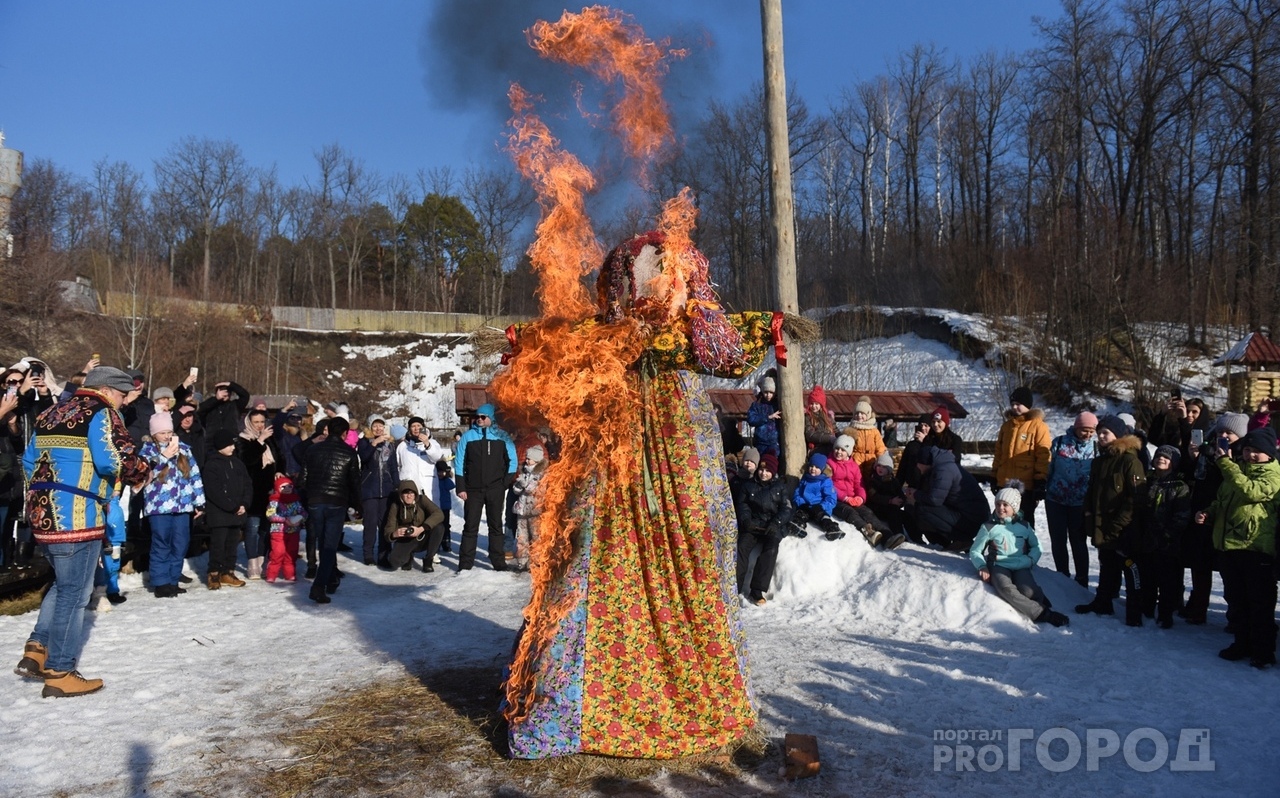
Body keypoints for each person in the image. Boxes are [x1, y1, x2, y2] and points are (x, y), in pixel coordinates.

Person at [497, 231, 781, 758]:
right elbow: (559, 353)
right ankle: (573, 702)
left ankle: (692, 687)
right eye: (649, 270)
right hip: (614, 449)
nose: (659, 281)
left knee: (694, 549)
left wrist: (766, 329)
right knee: (591, 551)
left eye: (667, 271)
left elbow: (733, 351)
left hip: (679, 455)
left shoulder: (693, 333)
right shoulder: (604, 337)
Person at [14, 366, 150, 697]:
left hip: (42, 513)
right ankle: (60, 671)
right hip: (78, 514)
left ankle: (37, 648)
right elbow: (111, 460)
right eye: (121, 396)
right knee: (76, 593)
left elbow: (29, 461)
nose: (121, 403)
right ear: (107, 390)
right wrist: (140, 471)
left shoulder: (51, 411)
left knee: (64, 584)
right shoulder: (101, 412)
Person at [1199, 425, 1280, 668]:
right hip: (1230, 546)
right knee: (1237, 601)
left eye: (1256, 451)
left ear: (1269, 453)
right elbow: (1223, 499)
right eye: (1247, 450)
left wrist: (1226, 464)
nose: (1250, 455)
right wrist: (1208, 513)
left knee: (1260, 603)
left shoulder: (1273, 475)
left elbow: (1250, 491)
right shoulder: (1238, 470)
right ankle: (1241, 643)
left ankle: (1263, 651)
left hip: (1256, 548)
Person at [1075, 415, 1147, 624]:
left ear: (1118, 435)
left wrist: (1119, 525)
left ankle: (1134, 612)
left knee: (1130, 568)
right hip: (1103, 525)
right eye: (1099, 433)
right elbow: (1092, 491)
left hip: (1125, 528)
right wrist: (1087, 515)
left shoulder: (1130, 460)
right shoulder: (1100, 461)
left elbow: (1135, 499)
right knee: (1107, 565)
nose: (1101, 436)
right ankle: (1103, 602)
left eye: (1105, 432)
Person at [969, 483, 1069, 627]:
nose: (1000, 508)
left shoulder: (1024, 526)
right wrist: (982, 566)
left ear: (1014, 508)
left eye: (1005, 505)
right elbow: (975, 550)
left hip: (1021, 564)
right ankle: (1042, 613)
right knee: (1006, 589)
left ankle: (1037, 595)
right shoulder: (989, 527)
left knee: (1026, 591)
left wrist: (1031, 560)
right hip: (999, 565)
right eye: (998, 504)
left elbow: (1036, 546)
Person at [1182, 412, 1249, 624]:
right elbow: (1195, 477)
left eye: (1230, 432)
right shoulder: (1208, 451)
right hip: (1203, 512)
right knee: (1199, 565)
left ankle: (1235, 617)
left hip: (1228, 517)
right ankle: (1198, 608)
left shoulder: (1244, 455)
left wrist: (1224, 461)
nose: (1225, 435)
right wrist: (1195, 457)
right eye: (1221, 431)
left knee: (1230, 572)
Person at [138, 412, 204, 598]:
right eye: (162, 433)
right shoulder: (148, 451)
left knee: (180, 543)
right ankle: (160, 582)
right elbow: (144, 476)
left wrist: (199, 502)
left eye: (169, 431)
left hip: (183, 505)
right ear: (154, 434)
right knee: (161, 542)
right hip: (158, 507)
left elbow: (194, 476)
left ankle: (173, 580)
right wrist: (164, 456)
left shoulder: (184, 449)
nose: (167, 436)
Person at [301, 416, 361, 603]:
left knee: (323, 542)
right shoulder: (349, 453)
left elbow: (303, 479)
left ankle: (332, 576)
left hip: (315, 501)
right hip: (336, 502)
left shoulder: (312, 450)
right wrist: (358, 506)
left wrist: (307, 501)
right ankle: (318, 586)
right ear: (345, 433)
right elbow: (354, 483)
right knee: (329, 546)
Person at [1133, 445, 1191, 628]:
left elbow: (1182, 516)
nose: (1161, 459)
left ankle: (1166, 614)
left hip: (1168, 543)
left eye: (1166, 457)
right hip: (1146, 540)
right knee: (1147, 578)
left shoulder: (1179, 486)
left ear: (1173, 462)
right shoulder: (1146, 480)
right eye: (1158, 456)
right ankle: (1147, 608)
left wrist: (1167, 535)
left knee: (1167, 582)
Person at [454, 402, 516, 572]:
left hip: (495, 489)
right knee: (470, 526)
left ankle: (498, 562)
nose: (479, 419)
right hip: (473, 490)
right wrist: (461, 486)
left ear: (491, 418)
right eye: (477, 417)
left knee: (495, 526)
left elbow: (513, 461)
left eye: (483, 417)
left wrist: (503, 484)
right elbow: (459, 462)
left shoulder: (502, 437)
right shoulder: (468, 437)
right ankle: (465, 564)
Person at [1044, 411, 1098, 586]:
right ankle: (1062, 576)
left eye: (1092, 431)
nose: (1088, 434)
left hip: (1080, 503)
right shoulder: (1059, 443)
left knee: (1078, 541)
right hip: (1056, 500)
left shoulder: (1097, 448)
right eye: (1084, 430)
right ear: (1076, 427)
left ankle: (1082, 578)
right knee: (1058, 539)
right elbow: (1049, 468)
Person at [905, 445, 989, 552]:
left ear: (924, 462)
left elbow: (935, 500)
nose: (917, 466)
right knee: (922, 507)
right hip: (971, 516)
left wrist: (915, 494)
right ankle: (949, 541)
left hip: (972, 520)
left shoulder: (944, 470)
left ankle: (962, 540)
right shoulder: (944, 466)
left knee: (922, 509)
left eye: (918, 463)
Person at [734, 452, 792, 605]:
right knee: (741, 547)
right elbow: (743, 505)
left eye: (767, 471)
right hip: (753, 524)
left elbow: (785, 509)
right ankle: (735, 587)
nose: (763, 473)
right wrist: (746, 520)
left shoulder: (780, 486)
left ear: (772, 472)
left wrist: (776, 523)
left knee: (771, 549)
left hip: (771, 525)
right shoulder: (748, 485)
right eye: (761, 470)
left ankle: (757, 590)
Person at [830, 435, 903, 549]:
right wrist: (845, 498)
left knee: (867, 513)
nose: (839, 452)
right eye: (837, 448)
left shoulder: (853, 466)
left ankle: (888, 536)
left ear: (848, 452)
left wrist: (860, 497)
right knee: (850, 512)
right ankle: (870, 533)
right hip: (836, 500)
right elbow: (829, 485)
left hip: (853, 498)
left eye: (843, 450)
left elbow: (859, 484)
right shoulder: (829, 464)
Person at [992, 386, 1051, 527]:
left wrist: (1040, 480)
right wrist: (994, 476)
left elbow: (1043, 455)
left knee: (1024, 519)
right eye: (1012, 404)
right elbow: (998, 453)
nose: (1015, 407)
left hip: (1026, 484)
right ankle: (1003, 547)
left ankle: (1027, 547)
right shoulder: (1007, 427)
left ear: (1028, 405)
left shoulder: (1038, 426)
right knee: (1002, 518)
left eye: (1018, 404)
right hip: (1005, 482)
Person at [201, 429, 251, 590]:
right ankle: (214, 573)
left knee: (232, 545)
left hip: (237, 513)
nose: (232, 448)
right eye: (228, 445)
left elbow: (247, 485)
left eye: (233, 444)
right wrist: (232, 506)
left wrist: (244, 503)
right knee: (218, 545)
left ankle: (228, 572)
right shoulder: (212, 464)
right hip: (219, 514)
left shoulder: (237, 463)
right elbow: (213, 491)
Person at [236, 409, 279, 579]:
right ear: (249, 423)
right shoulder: (242, 439)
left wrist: (280, 471)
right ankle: (252, 562)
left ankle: (262, 559)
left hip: (269, 489)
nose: (260, 425)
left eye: (262, 422)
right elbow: (247, 460)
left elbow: (279, 457)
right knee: (252, 527)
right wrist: (259, 442)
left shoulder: (270, 439)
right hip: (252, 490)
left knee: (265, 528)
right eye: (257, 422)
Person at [358, 414, 398, 567]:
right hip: (370, 489)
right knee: (370, 523)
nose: (378, 428)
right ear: (370, 428)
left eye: (381, 426)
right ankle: (368, 554)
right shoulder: (364, 443)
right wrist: (374, 443)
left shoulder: (390, 445)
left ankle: (384, 555)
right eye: (375, 426)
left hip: (386, 489)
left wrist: (397, 485)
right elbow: (364, 457)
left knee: (385, 524)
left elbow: (393, 467)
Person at [383, 480, 446, 572]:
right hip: (406, 538)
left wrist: (421, 528)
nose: (409, 496)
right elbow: (388, 529)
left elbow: (439, 514)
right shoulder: (396, 506)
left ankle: (429, 559)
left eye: (411, 493)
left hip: (422, 536)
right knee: (395, 562)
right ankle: (408, 556)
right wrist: (394, 534)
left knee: (439, 527)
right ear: (400, 494)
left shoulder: (422, 500)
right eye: (405, 493)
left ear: (415, 494)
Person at [509, 445, 547, 571]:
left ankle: (536, 562)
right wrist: (519, 485)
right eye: (527, 458)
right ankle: (522, 561)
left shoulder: (541, 474)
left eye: (529, 458)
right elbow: (516, 489)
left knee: (535, 537)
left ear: (537, 460)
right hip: (522, 510)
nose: (527, 460)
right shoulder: (524, 472)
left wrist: (523, 484)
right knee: (521, 537)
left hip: (535, 510)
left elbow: (534, 489)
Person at [790, 452, 843, 539]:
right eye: (811, 466)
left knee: (822, 517)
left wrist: (822, 506)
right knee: (800, 514)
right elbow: (797, 493)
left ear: (822, 469)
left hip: (819, 507)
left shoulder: (825, 481)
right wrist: (801, 503)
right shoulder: (805, 478)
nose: (813, 469)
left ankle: (832, 528)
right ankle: (798, 525)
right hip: (806, 506)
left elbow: (831, 499)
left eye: (817, 467)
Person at [264, 473, 306, 582]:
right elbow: (270, 515)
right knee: (278, 552)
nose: (287, 489)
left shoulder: (296, 501)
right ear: (278, 488)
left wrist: (300, 518)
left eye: (289, 486)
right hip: (278, 531)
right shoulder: (274, 501)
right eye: (283, 487)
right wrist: (285, 520)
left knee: (291, 553)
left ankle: (290, 573)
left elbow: (304, 513)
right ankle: (271, 574)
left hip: (294, 531)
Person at [866, 451, 912, 543]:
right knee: (894, 513)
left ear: (889, 469)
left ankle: (917, 537)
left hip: (892, 506)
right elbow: (874, 496)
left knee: (906, 515)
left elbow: (900, 493)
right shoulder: (873, 480)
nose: (880, 469)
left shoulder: (893, 481)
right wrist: (890, 501)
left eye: (884, 467)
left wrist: (901, 501)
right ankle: (899, 535)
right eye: (879, 466)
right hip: (878, 508)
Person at [198, 380, 250, 454]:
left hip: (232, 443)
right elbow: (200, 410)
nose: (225, 394)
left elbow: (245, 396)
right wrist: (216, 399)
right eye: (222, 391)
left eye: (227, 391)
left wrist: (231, 385)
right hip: (212, 445)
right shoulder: (209, 407)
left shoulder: (235, 406)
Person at [840, 395, 887, 478]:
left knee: (870, 482)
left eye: (862, 413)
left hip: (871, 460)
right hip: (856, 460)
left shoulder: (874, 431)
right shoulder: (851, 430)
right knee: (857, 481)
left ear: (868, 415)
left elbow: (880, 447)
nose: (859, 415)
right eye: (857, 413)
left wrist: (880, 461)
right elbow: (845, 446)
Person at [747, 374, 781, 458]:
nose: (768, 395)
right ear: (762, 391)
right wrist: (768, 417)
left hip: (775, 443)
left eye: (771, 392)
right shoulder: (757, 405)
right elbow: (751, 419)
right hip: (760, 443)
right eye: (766, 392)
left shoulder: (778, 405)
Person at [896, 415, 933, 490]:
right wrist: (897, 488)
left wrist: (925, 441)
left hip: (928, 486)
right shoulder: (911, 445)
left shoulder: (934, 444)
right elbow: (903, 467)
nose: (923, 428)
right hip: (912, 486)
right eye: (921, 425)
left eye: (926, 426)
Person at [802, 385, 837, 457]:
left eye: (816, 404)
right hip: (816, 449)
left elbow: (836, 430)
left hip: (830, 447)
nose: (814, 406)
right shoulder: (808, 417)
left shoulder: (828, 417)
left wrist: (843, 437)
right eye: (811, 403)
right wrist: (829, 438)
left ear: (821, 405)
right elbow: (810, 435)